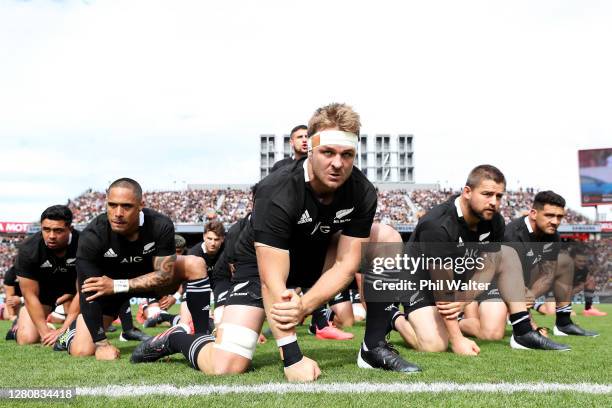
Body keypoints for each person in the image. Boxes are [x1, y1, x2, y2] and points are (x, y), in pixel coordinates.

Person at [131, 103, 420, 379]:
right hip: (260, 266)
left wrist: (304, 305)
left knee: (386, 237)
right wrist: (291, 355)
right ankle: (177, 338)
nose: (337, 163)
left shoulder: (362, 190)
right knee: (226, 365)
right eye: (328, 152)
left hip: (317, 257)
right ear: (311, 148)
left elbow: (346, 264)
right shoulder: (277, 190)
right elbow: (273, 280)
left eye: (347, 154)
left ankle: (373, 347)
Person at [387, 165, 569, 361]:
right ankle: (394, 316)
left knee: (506, 253)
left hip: (457, 278)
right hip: (421, 283)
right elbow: (442, 287)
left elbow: (490, 262)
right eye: (487, 194)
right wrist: (457, 339)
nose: (493, 202)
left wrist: (466, 297)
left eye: (498, 196)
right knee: (434, 345)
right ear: (467, 192)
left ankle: (523, 331)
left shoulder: (494, 221)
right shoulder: (437, 224)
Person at [58, 178, 211, 360]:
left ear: (140, 205)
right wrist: (101, 344)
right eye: (112, 205)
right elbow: (87, 293)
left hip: (143, 281)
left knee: (195, 264)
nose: (118, 213)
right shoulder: (92, 235)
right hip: (110, 291)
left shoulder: (160, 225)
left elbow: (164, 275)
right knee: (82, 350)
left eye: (127, 206)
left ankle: (202, 337)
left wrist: (118, 284)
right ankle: (68, 335)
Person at [459, 191, 597, 340]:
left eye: (559, 217)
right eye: (549, 215)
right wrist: (529, 321)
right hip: (493, 284)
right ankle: (457, 321)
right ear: (533, 213)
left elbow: (548, 274)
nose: (555, 221)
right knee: (492, 333)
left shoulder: (553, 236)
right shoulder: (511, 234)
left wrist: (530, 295)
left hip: (521, 283)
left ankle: (564, 323)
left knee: (564, 261)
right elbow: (501, 275)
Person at [13, 205, 80, 346]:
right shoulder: (28, 249)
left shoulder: (84, 243)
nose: (51, 236)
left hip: (76, 294)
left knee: (75, 336)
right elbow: (29, 294)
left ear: (70, 229)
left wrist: (63, 330)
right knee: (27, 339)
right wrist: (45, 334)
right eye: (46, 229)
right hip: (44, 294)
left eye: (58, 231)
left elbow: (84, 291)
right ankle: (16, 328)